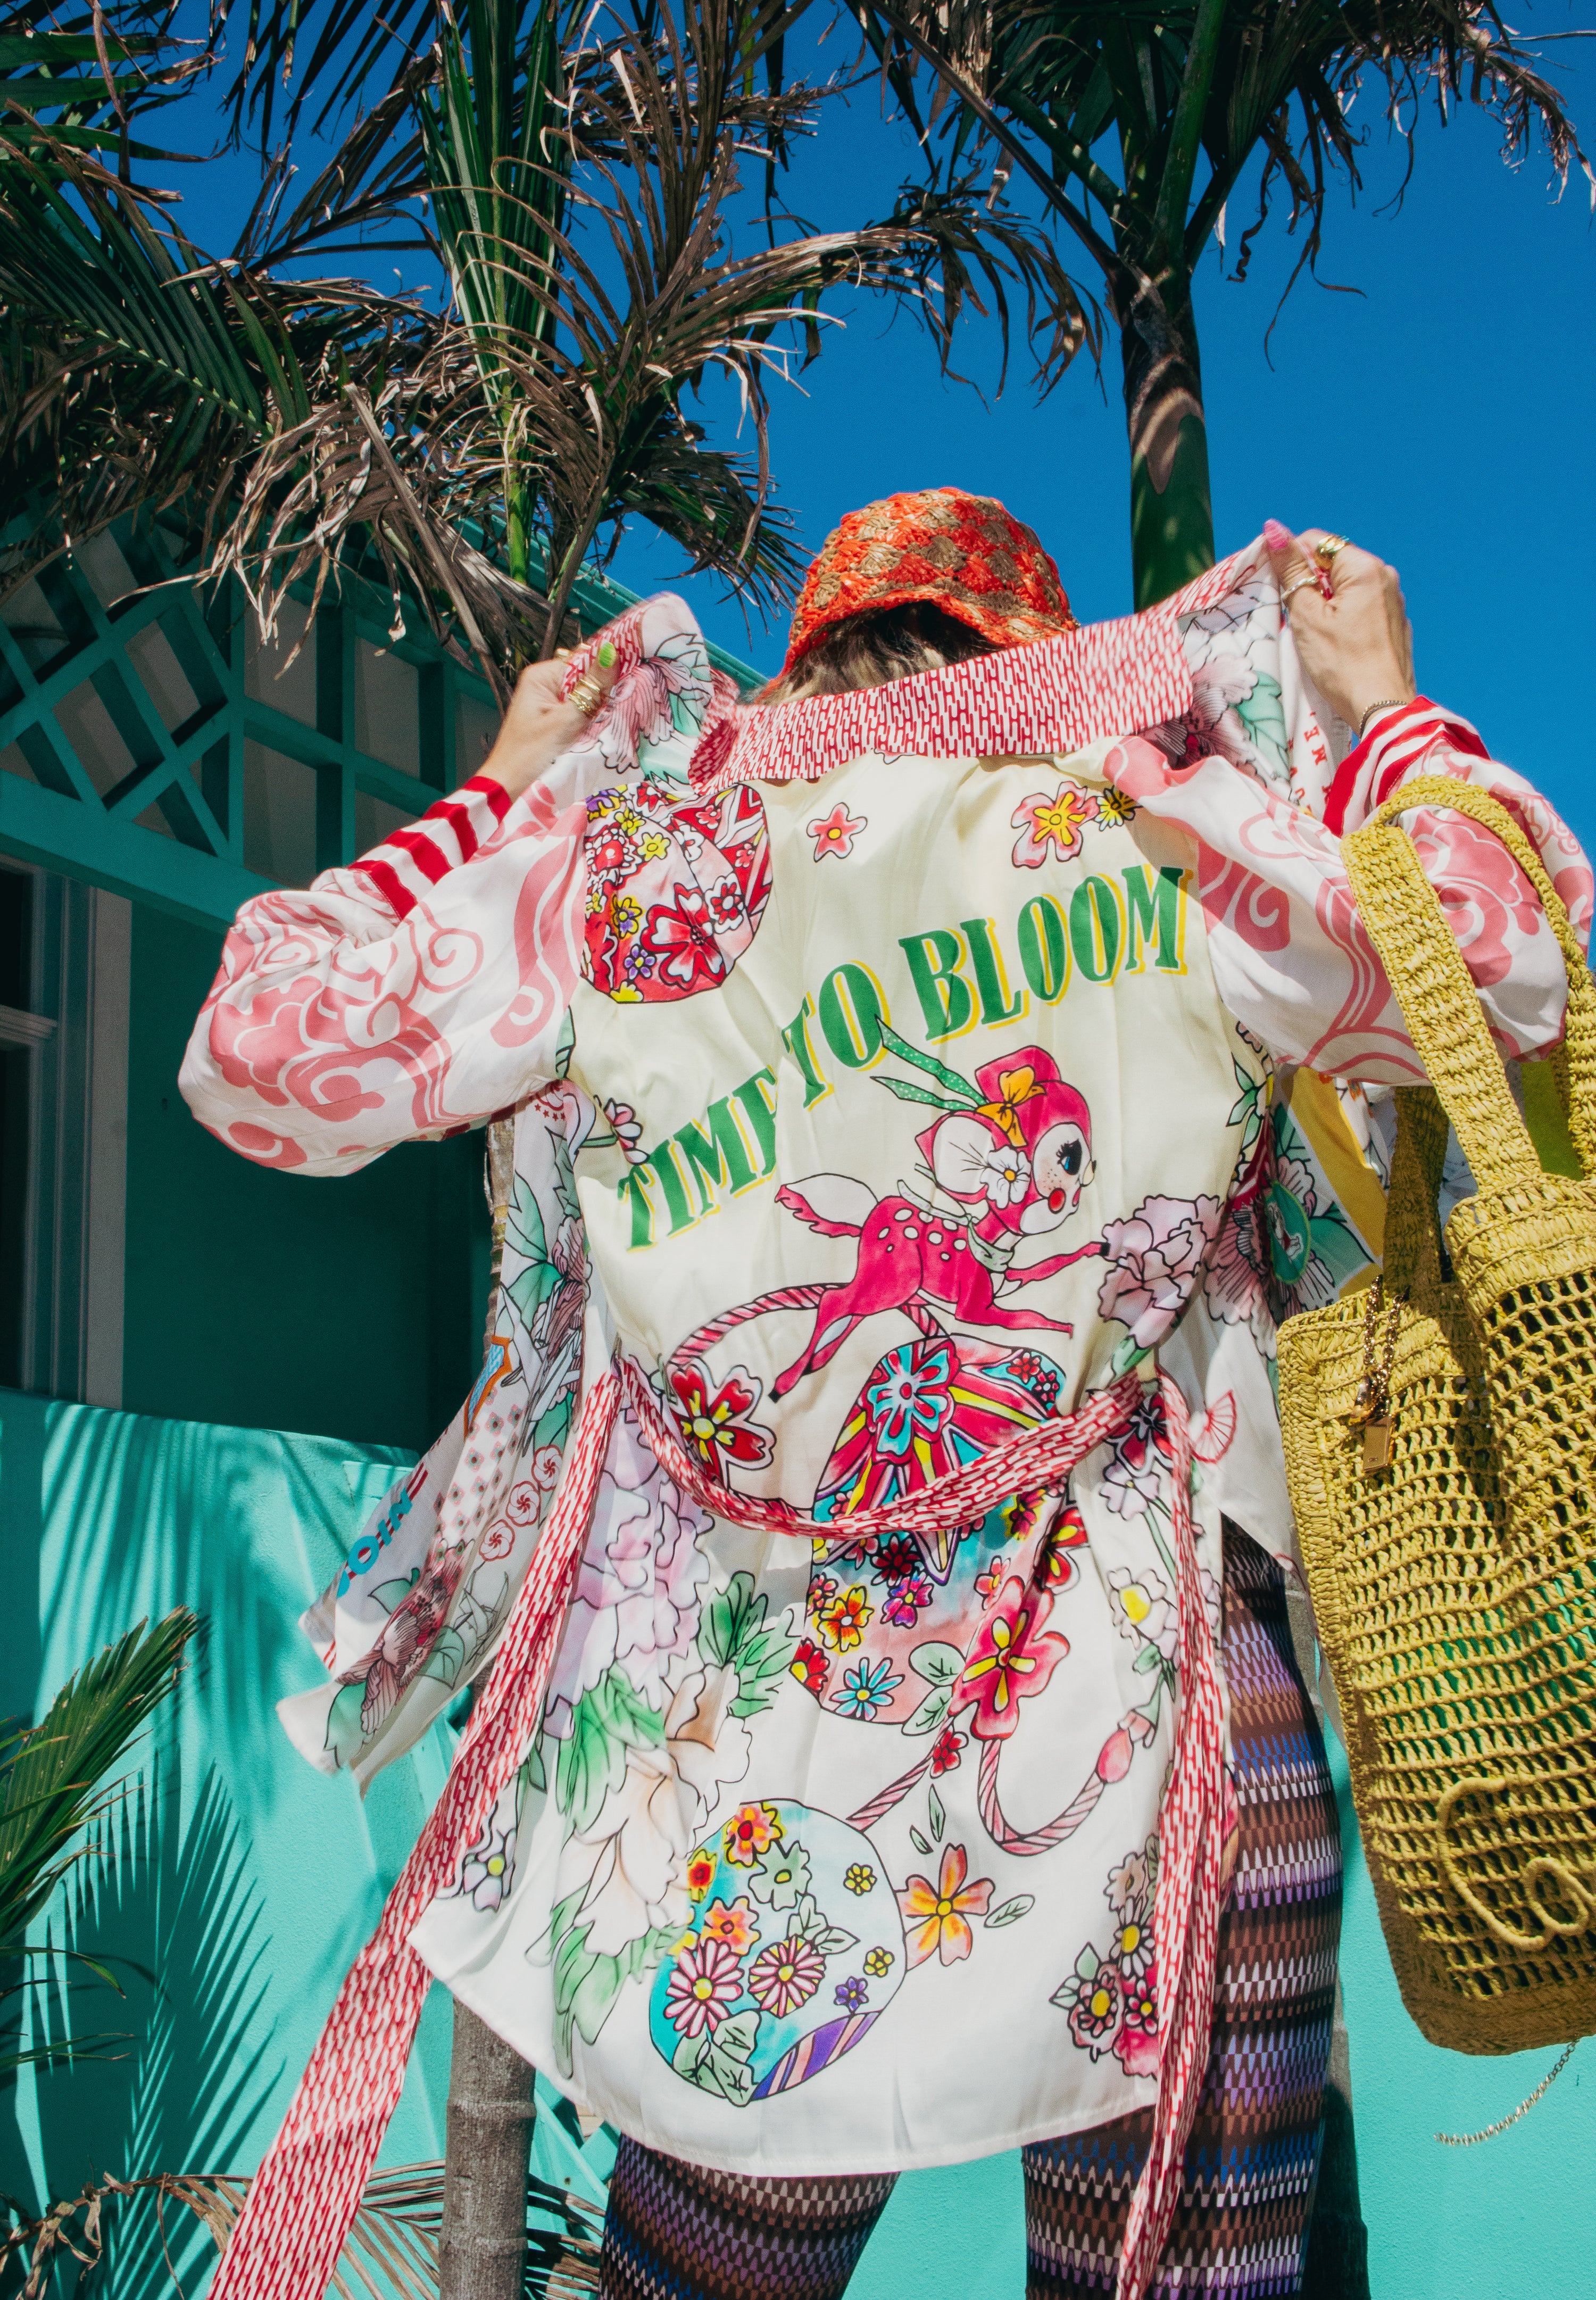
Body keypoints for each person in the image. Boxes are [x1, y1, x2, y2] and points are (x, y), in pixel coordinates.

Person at [181, 493, 1590, 2300]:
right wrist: (1382, 704)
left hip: (771, 1746)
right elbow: (1513, 959)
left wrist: (513, 790)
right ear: (1041, 651)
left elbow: (262, 1049)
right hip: (1164, 1718)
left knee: (698, 2278)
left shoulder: (630, 876)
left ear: (810, 661)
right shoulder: (1159, 812)